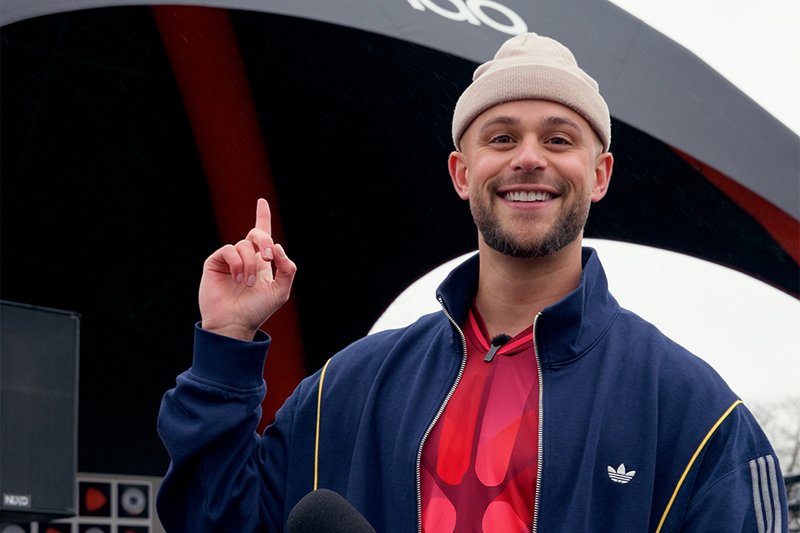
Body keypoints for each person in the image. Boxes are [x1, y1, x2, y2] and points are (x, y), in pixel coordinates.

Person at [157, 32, 788, 532]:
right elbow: (214, 521)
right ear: (463, 173)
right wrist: (227, 341)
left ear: (600, 174)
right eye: (502, 137)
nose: (529, 158)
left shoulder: (697, 415)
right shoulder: (344, 392)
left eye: (559, 138)